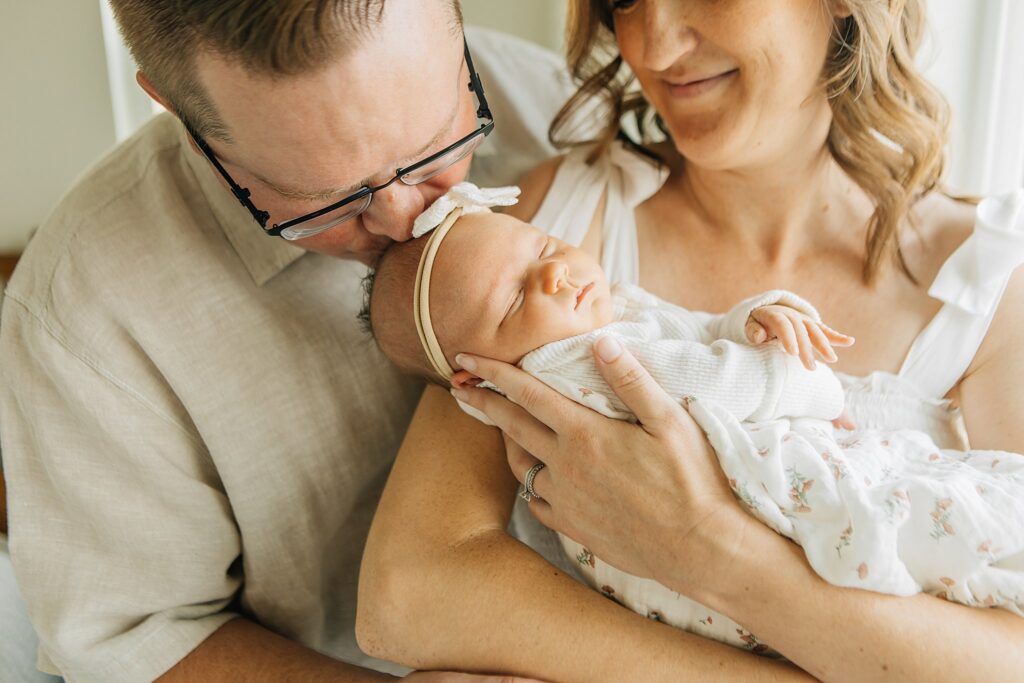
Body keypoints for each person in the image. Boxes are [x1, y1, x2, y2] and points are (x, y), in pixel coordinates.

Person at [356, 1, 1024, 681]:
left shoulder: (990, 287)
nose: (656, 45)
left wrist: (706, 545)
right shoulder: (539, 236)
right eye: (624, 0)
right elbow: (407, 594)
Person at [0, 1, 574, 680]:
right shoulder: (82, 313)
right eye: (328, 198)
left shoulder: (551, 109)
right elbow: (135, 639)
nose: (404, 214)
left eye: (437, 143)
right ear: (179, 116)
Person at [362, 188, 1024, 654]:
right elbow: (714, 376)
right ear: (473, 376)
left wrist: (750, 317)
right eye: (513, 300)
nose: (555, 275)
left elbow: (697, 330)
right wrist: (806, 383)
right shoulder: (568, 363)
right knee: (926, 513)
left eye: (544, 247)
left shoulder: (601, 307)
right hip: (768, 481)